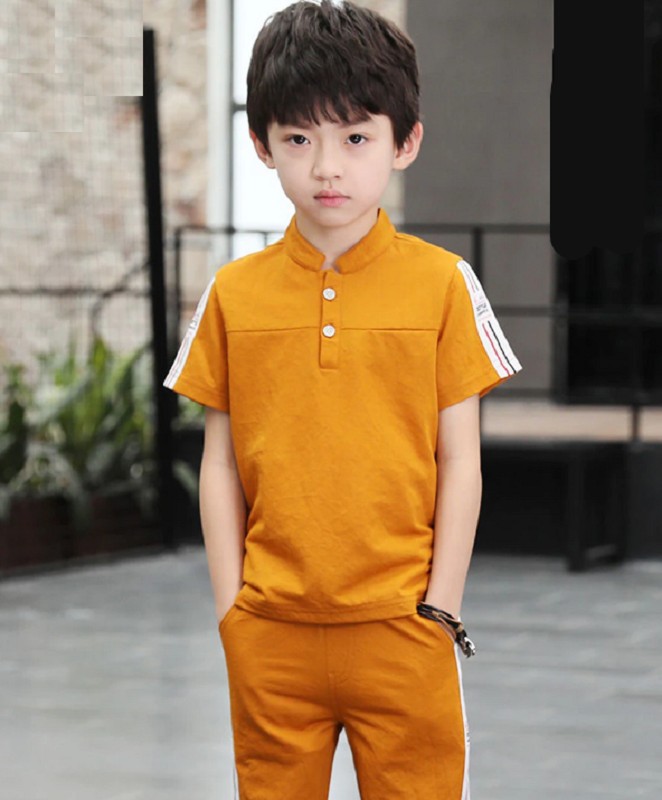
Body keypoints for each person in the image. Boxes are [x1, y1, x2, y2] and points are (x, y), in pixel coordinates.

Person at [164, 1, 523, 797]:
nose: (327, 167)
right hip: (270, 634)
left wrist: (441, 610)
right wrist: (233, 613)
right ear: (262, 145)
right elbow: (218, 464)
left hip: (402, 631)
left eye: (356, 138)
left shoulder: (443, 284)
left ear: (406, 142)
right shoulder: (232, 294)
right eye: (299, 139)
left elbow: (460, 459)